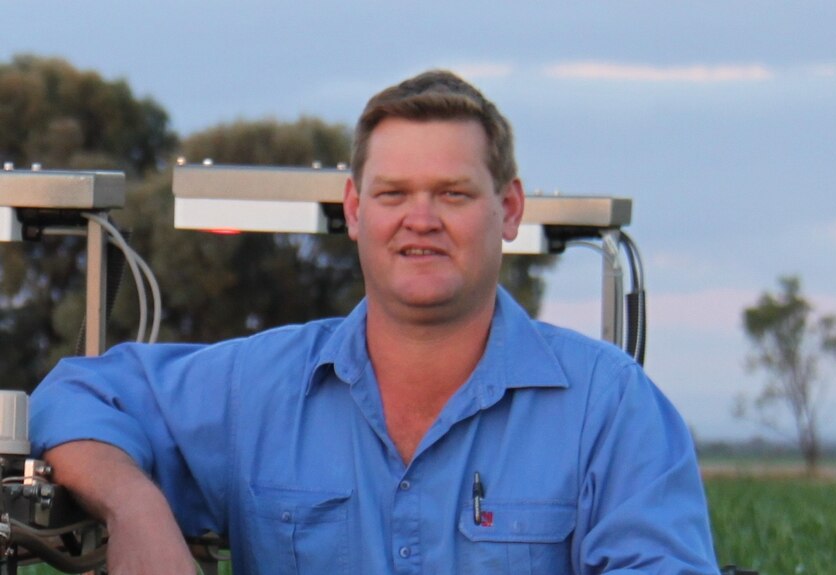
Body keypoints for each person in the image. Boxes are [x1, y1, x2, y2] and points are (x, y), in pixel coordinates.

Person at [30, 70, 720, 574]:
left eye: (453, 192)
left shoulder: (608, 405)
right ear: (356, 209)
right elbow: (80, 395)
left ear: (508, 208)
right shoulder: (259, 390)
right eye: (394, 193)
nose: (421, 219)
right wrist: (136, 510)